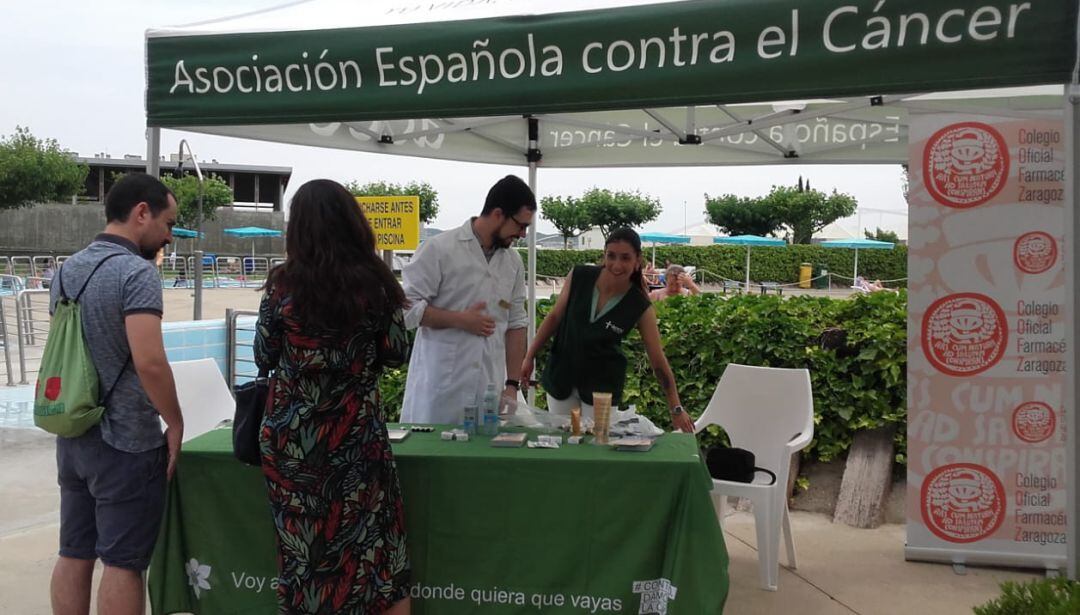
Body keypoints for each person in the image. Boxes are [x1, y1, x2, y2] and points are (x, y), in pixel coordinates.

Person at [254, 179, 412, 614]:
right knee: (380, 558)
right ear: (352, 223)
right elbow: (397, 353)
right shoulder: (376, 285)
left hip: (293, 446)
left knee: (304, 561)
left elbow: (263, 355)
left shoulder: (281, 288)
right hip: (355, 440)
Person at [49, 172, 183, 615]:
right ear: (141, 213)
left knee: (74, 551)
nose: (168, 235)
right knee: (124, 564)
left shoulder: (67, 270)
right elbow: (149, 361)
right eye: (167, 223)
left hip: (74, 432)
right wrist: (175, 421)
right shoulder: (136, 272)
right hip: (126, 441)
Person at [521, 228, 696, 433]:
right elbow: (553, 317)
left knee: (597, 447)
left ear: (637, 260)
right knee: (566, 444)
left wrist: (676, 408)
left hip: (602, 387)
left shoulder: (640, 305)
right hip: (562, 377)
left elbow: (657, 359)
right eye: (611, 256)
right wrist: (529, 356)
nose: (617, 265)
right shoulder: (579, 276)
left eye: (625, 258)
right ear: (604, 255)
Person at [400, 175, 534, 424]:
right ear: (497, 214)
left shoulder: (513, 262)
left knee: (483, 460)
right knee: (437, 456)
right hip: (440, 390)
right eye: (520, 225)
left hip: (489, 390)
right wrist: (459, 320)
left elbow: (516, 323)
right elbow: (404, 311)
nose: (523, 234)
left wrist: (512, 385)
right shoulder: (439, 249)